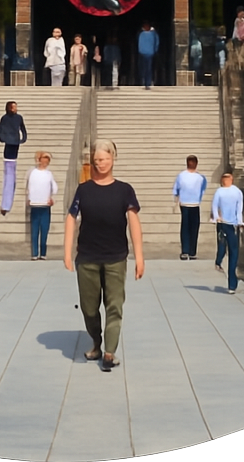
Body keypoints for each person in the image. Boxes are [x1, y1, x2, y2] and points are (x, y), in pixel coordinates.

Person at [64, 139, 144, 372]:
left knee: (114, 305)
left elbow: (134, 222)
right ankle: (97, 343)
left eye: (105, 159)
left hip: (115, 257)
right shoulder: (84, 189)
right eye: (97, 159)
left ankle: (109, 352)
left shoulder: (124, 190)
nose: (101, 163)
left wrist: (139, 257)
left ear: (113, 159)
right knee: (89, 308)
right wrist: (67, 252)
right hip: (87, 257)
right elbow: (71, 218)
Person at [210, 173, 244, 293]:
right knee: (234, 252)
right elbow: (239, 209)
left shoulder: (219, 192)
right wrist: (240, 222)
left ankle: (218, 261)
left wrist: (216, 219)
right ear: (232, 180)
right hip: (233, 225)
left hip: (222, 224)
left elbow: (214, 207)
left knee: (221, 245)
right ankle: (232, 284)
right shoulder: (237, 192)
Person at [172, 155, 207, 259]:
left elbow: (176, 190)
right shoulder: (193, 177)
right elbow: (203, 190)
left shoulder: (197, 177)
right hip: (189, 204)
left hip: (191, 203)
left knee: (190, 227)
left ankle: (189, 251)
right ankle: (188, 251)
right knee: (189, 227)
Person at [26, 152, 59, 260]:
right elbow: (28, 186)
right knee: (35, 231)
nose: (45, 163)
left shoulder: (49, 174)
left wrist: (52, 199)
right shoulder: (32, 172)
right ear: (39, 160)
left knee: (44, 230)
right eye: (44, 161)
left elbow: (54, 188)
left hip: (45, 205)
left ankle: (43, 253)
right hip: (35, 205)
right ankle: (35, 253)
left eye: (47, 162)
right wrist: (29, 198)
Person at [0, 100, 28, 215]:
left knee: (10, 172)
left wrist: (23, 138)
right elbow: (0, 128)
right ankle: (6, 203)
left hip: (15, 143)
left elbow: (23, 128)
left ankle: (7, 202)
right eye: (14, 107)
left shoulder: (18, 117)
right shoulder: (4, 118)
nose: (16, 109)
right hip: (9, 144)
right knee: (9, 171)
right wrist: (2, 138)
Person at [137, 21, 159, 89]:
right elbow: (139, 43)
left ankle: (148, 82)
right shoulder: (141, 34)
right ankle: (144, 81)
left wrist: (154, 50)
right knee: (143, 68)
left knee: (148, 68)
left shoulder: (154, 34)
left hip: (149, 53)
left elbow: (157, 43)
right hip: (143, 53)